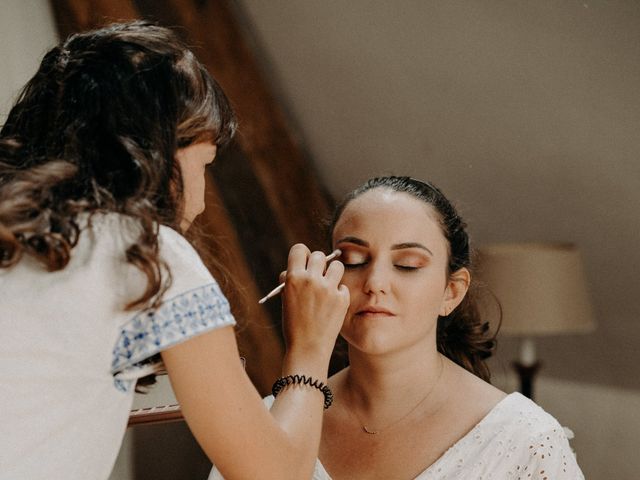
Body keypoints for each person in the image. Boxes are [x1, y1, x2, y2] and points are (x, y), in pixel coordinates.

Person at [0, 21, 349, 480]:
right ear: (153, 156)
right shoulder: (145, 250)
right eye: (203, 165)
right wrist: (310, 346)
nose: (202, 203)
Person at [210, 176, 585, 479]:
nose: (375, 282)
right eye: (354, 260)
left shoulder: (526, 440)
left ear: (451, 292)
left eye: (406, 264)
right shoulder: (273, 421)